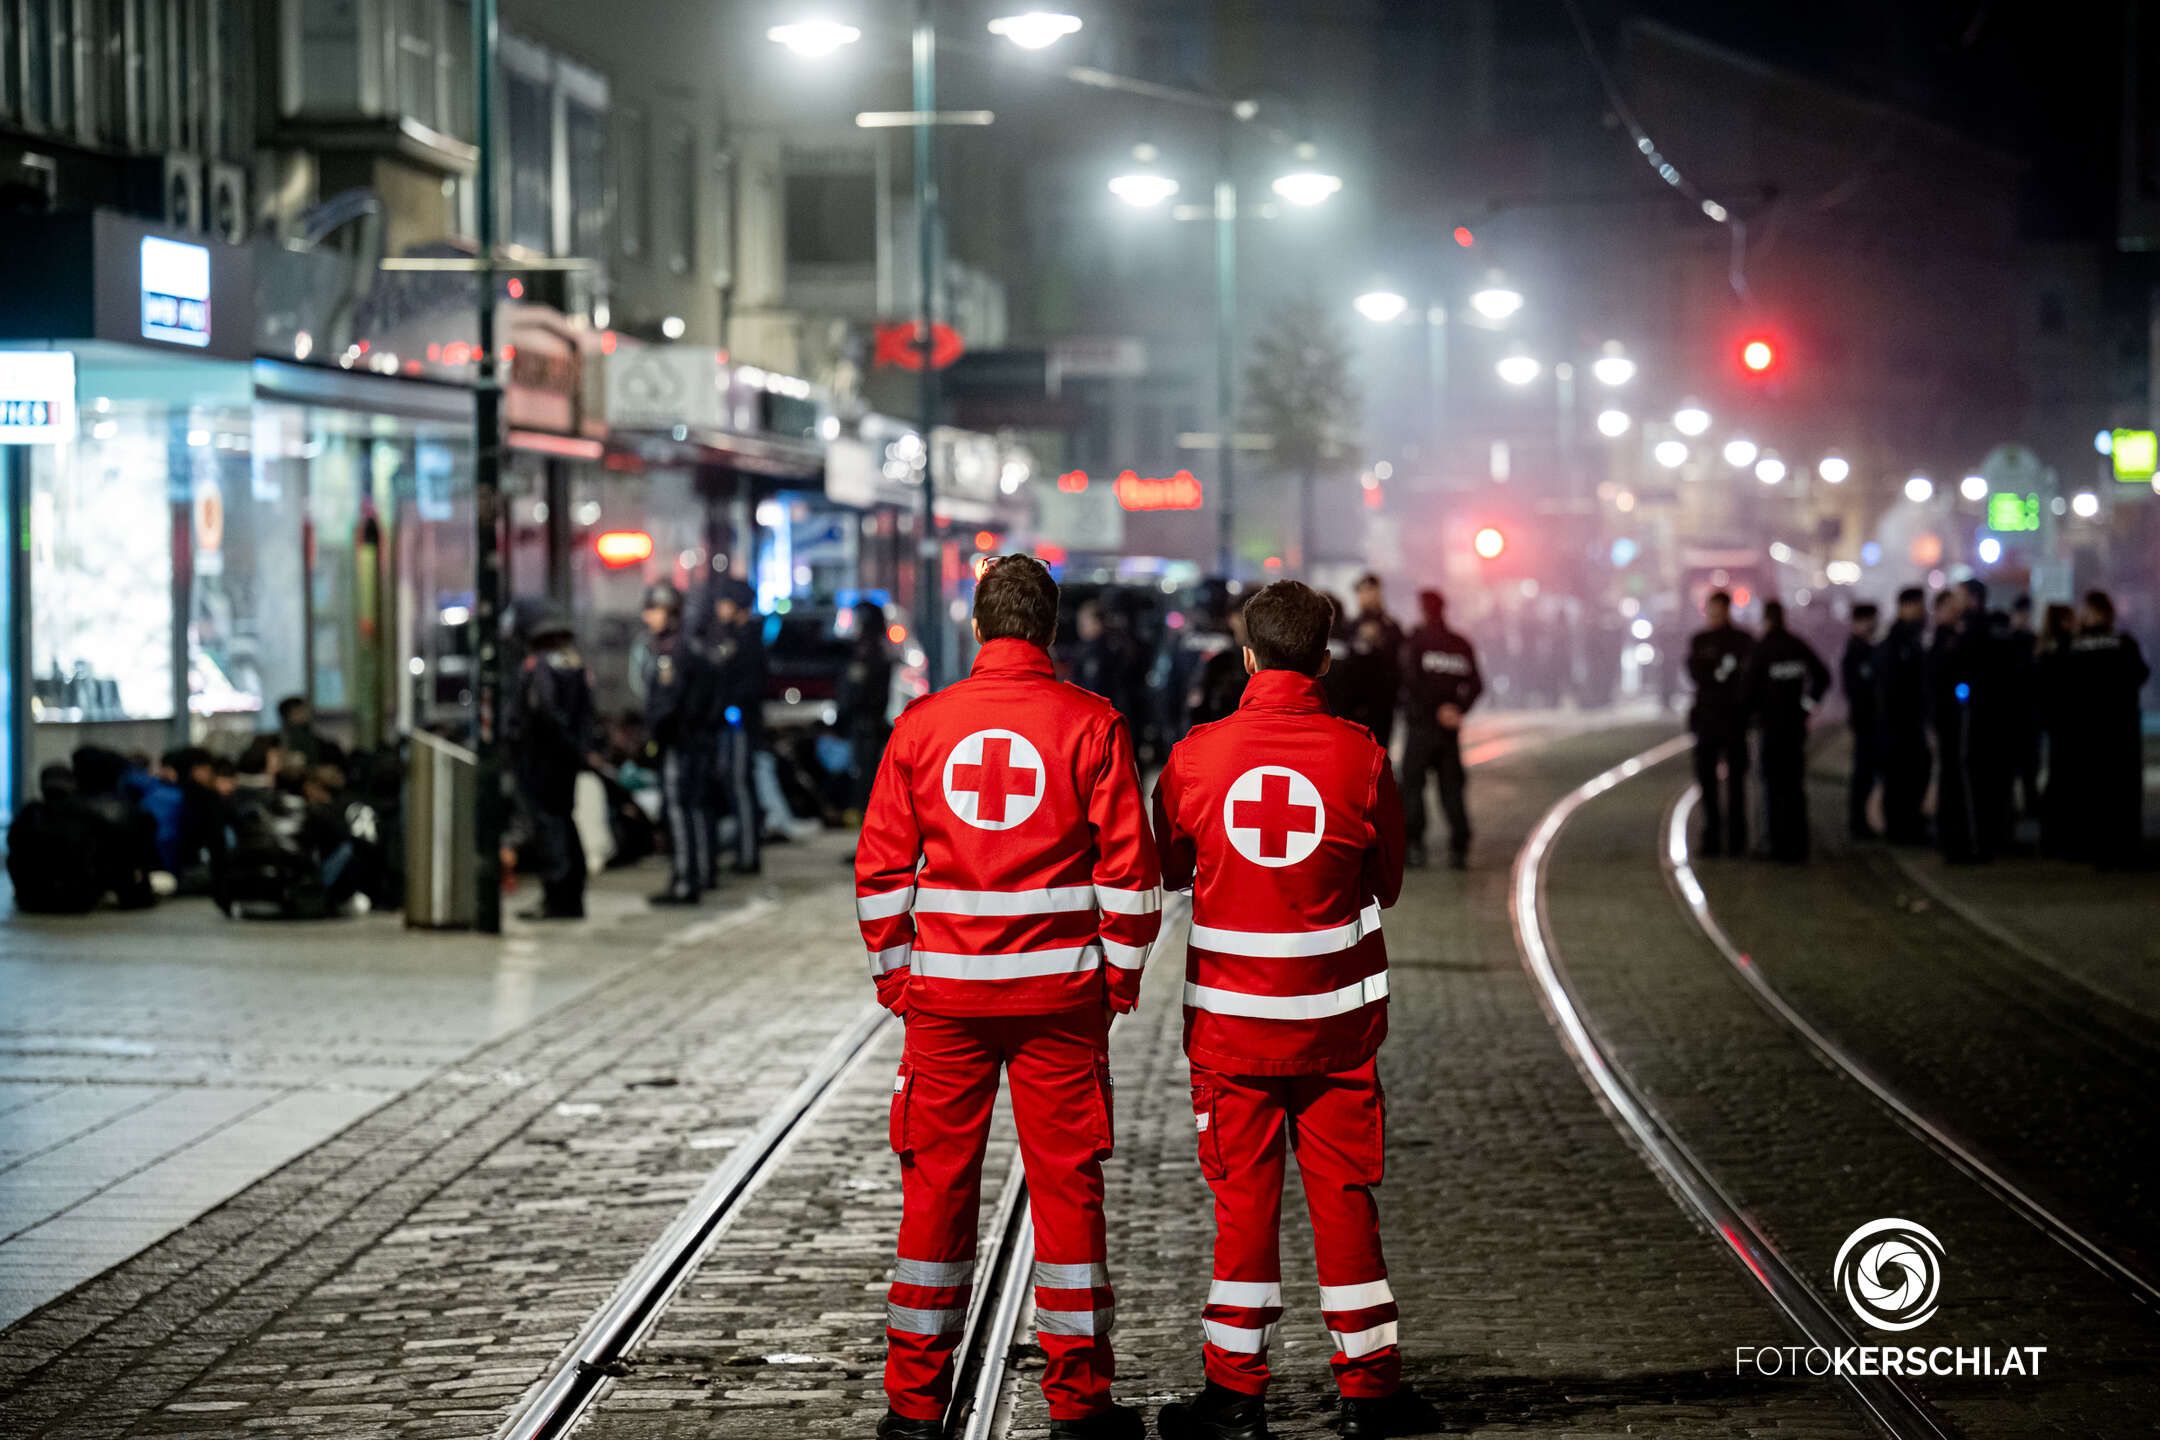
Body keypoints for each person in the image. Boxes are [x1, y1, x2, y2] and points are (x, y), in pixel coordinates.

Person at [854, 554, 1160, 1440]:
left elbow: (880, 868)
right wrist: (1117, 979)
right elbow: (1130, 874)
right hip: (1060, 1000)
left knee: (935, 1190)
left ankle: (914, 1406)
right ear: (1051, 629)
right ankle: (1080, 1405)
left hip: (946, 1003)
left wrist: (899, 977)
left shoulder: (922, 726)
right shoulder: (1092, 723)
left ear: (979, 626)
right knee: (1068, 1191)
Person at [1150, 580, 1430, 1440]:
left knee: (1242, 1207)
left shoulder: (1197, 758)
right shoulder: (1361, 757)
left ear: (1247, 657)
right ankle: (1370, 1394)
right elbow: (1387, 881)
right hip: (1336, 1030)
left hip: (1232, 1031)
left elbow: (1169, 868)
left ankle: (1234, 1397)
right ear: (1324, 659)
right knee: (1345, 1198)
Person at [510, 603, 598, 920]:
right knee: (565, 820)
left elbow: (543, 710)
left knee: (549, 825)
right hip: (566, 759)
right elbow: (587, 712)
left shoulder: (539, 665)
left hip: (543, 758)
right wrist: (577, 747)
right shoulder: (573, 662)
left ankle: (557, 895)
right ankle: (572, 893)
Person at [641, 582, 716, 905]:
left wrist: (655, 735)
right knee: (692, 807)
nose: (648, 618)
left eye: (654, 611)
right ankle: (698, 873)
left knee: (678, 808)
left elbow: (668, 703)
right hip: (691, 740)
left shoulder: (672, 652)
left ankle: (686, 880)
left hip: (679, 741)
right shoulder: (687, 647)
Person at [2064, 591, 2150, 867]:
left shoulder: (2078, 646)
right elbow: (2141, 674)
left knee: (2092, 790)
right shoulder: (2123, 643)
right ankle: (2124, 847)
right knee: (2123, 790)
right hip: (2122, 727)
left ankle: (2094, 846)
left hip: (2088, 731)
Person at [1400, 588, 1483, 869]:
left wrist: (1435, 709)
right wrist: (1457, 708)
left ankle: (1414, 845)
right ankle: (1459, 847)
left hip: (1421, 728)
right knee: (1452, 790)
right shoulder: (1460, 644)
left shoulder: (1416, 642)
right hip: (1448, 732)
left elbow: (1410, 682)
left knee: (1413, 787)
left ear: (1423, 610)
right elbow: (1476, 684)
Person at [1745, 600, 1831, 862]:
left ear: (1765, 620)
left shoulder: (1761, 649)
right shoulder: (1797, 645)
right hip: (1795, 727)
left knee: (1772, 786)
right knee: (1794, 785)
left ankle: (1775, 844)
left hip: (1771, 728)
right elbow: (1823, 676)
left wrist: (1754, 716)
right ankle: (1798, 844)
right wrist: (1807, 706)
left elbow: (1747, 689)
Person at [1685, 590, 1755, 856]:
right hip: (1708, 720)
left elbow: (1745, 677)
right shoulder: (1700, 640)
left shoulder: (1743, 640)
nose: (1714, 615)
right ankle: (1712, 836)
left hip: (1734, 720)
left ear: (1727, 610)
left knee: (1736, 783)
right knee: (1708, 782)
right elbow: (1696, 674)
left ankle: (1736, 839)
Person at [708, 578, 768, 877]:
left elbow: (749, 685)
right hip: (732, 722)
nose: (720, 609)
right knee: (735, 782)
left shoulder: (748, 639)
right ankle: (744, 849)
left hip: (741, 723)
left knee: (741, 783)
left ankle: (748, 852)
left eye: (725, 603)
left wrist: (732, 707)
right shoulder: (732, 636)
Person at [1927, 587, 1986, 863]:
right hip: (1951, 721)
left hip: (1949, 719)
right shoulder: (1946, 641)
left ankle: (1953, 841)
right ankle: (1956, 842)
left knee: (1952, 779)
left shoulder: (1946, 639)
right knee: (1954, 780)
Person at [1877, 587, 1933, 844]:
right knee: (1901, 778)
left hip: (1908, 723)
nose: (1922, 612)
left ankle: (1908, 825)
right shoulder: (1897, 641)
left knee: (1912, 775)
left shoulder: (1913, 638)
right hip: (1899, 725)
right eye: (1918, 607)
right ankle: (1900, 828)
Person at [838, 598, 897, 817]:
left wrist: (845, 713)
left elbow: (858, 689)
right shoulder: (876, 648)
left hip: (866, 721)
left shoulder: (867, 651)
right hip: (870, 719)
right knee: (866, 769)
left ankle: (863, 811)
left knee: (864, 770)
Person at [1334, 573, 1404, 757]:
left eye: (1371, 591)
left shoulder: (1392, 627)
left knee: (1379, 753)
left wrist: (1379, 642)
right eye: (1362, 592)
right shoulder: (1349, 626)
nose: (1367, 597)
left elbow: (1399, 665)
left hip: (1382, 703)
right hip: (1353, 705)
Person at [2035, 602, 2081, 857]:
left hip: (2054, 724)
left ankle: (2051, 836)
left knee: (2056, 778)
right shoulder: (2068, 650)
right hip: (2067, 723)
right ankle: (2064, 837)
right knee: (2066, 780)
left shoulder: (2045, 650)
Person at [1840, 602, 1883, 839]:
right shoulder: (1856, 653)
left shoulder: (1866, 650)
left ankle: (1863, 821)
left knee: (1867, 773)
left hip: (1868, 721)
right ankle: (1859, 823)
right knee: (1863, 774)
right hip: (1866, 722)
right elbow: (1855, 690)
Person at [2005, 596, 2042, 822]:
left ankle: (2027, 804)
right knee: (2022, 764)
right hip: (2021, 713)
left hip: (2023, 713)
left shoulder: (2025, 640)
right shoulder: (2022, 641)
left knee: (2027, 765)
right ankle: (2025, 804)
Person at [274, 695, 344, 768]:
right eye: (299, 711)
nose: (305, 714)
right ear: (289, 716)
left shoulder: (309, 733)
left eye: (304, 710)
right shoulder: (290, 737)